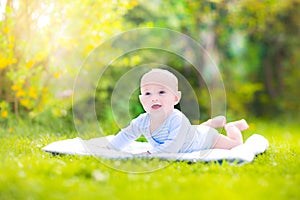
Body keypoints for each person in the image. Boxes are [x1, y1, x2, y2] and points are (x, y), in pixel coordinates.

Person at [108, 69, 249, 154]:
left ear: (175, 98)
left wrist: (149, 153)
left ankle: (232, 127)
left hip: (205, 138)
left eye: (161, 92)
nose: (154, 98)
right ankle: (209, 123)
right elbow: (126, 135)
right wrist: (111, 148)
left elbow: (173, 146)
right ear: (141, 99)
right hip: (190, 133)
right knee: (193, 130)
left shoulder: (177, 119)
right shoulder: (142, 121)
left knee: (236, 145)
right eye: (147, 93)